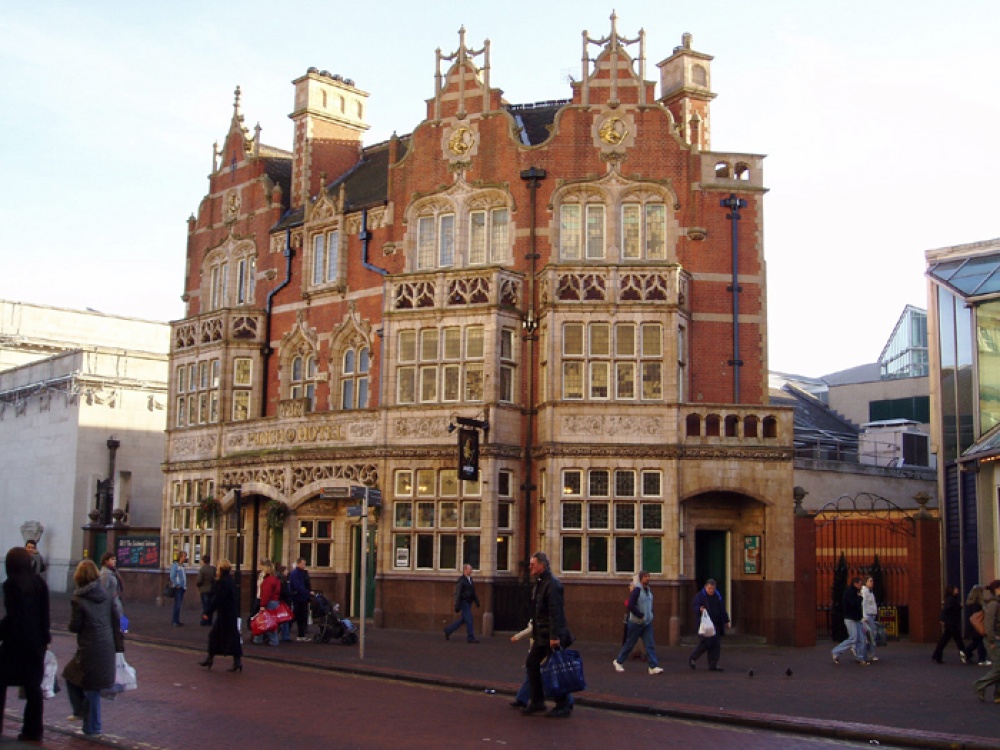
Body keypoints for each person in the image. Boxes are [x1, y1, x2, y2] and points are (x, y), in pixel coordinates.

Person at [0, 546, 51, 742]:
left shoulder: (11, 584)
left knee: (1, 682)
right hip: (36, 642)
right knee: (33, 688)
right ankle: (33, 730)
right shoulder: (40, 583)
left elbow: (13, 617)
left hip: (15, 642)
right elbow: (45, 615)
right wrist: (45, 640)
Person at [63, 559, 117, 738]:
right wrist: (120, 642)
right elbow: (117, 619)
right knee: (73, 675)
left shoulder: (78, 599)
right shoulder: (106, 594)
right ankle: (83, 716)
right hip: (106, 643)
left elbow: (75, 626)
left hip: (89, 647)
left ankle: (92, 727)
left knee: (88, 685)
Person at [522, 551, 573, 719]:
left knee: (556, 669)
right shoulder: (540, 583)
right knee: (532, 663)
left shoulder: (552, 584)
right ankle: (537, 701)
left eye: (533, 564)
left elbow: (555, 613)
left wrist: (554, 636)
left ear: (542, 565)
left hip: (550, 635)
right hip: (541, 634)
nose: (530, 567)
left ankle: (563, 704)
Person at [612, 570, 663, 674]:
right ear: (641, 579)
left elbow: (649, 604)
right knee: (630, 643)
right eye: (645, 577)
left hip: (647, 622)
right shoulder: (637, 590)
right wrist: (640, 614)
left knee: (650, 644)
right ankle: (618, 661)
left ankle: (653, 666)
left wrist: (650, 614)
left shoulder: (648, 590)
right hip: (636, 622)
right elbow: (631, 605)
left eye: (648, 576)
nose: (647, 578)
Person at [199, 559, 243, 673]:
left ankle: (211, 659)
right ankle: (235, 661)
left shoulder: (223, 582)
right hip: (230, 613)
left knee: (216, 635)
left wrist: (208, 612)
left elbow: (218, 599)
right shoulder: (229, 581)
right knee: (229, 636)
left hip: (225, 614)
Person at [689, 578, 731, 671]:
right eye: (709, 588)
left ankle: (713, 664)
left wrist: (726, 620)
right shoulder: (700, 596)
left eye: (713, 588)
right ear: (705, 587)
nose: (711, 590)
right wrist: (699, 609)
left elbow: (722, 609)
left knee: (716, 644)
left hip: (716, 624)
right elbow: (694, 606)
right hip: (705, 624)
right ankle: (693, 658)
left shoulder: (718, 596)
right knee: (706, 643)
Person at [974, 580, 1000, 703]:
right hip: (995, 640)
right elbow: (989, 624)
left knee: (998, 667)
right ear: (997, 589)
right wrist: (992, 640)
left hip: (996, 638)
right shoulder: (994, 604)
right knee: (998, 668)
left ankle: (998, 694)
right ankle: (980, 685)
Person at [831, 577, 866, 665]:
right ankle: (836, 651)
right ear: (855, 584)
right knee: (853, 638)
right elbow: (854, 603)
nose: (861, 586)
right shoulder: (850, 593)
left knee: (861, 639)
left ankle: (860, 657)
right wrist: (860, 598)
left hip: (856, 619)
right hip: (850, 619)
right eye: (860, 584)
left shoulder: (854, 592)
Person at [444, 563, 481, 643]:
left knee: (463, 620)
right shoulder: (461, 581)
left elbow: (473, 592)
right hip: (464, 603)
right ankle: (470, 637)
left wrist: (476, 601)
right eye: (470, 569)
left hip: (469, 602)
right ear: (465, 570)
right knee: (469, 619)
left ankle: (448, 630)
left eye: (471, 569)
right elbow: (458, 593)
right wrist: (457, 605)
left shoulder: (470, 579)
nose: (471, 571)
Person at [932, 584, 965, 663]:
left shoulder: (951, 599)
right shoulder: (951, 600)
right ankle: (965, 655)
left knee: (945, 640)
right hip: (952, 623)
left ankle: (937, 655)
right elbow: (946, 610)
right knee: (958, 640)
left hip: (950, 622)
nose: (957, 590)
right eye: (955, 589)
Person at [253, 561, 280, 646]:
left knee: (262, 621)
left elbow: (266, 594)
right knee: (271, 622)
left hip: (269, 602)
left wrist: (263, 605)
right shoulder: (275, 579)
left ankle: (259, 639)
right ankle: (271, 640)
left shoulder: (268, 580)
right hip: (275, 602)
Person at [963, 585, 990, 667]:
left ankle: (966, 652)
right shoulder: (978, 605)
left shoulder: (970, 603)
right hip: (977, 626)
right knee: (981, 641)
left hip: (971, 626)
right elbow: (977, 617)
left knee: (976, 642)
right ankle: (982, 659)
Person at [289, 558, 312, 642]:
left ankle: (301, 634)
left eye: (305, 564)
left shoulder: (303, 573)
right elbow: (298, 586)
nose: (304, 565)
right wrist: (307, 592)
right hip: (298, 597)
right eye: (303, 564)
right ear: (298, 564)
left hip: (303, 597)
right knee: (298, 615)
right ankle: (299, 634)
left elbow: (306, 583)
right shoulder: (295, 573)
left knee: (301, 616)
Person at [99, 552, 124, 623]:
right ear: (106, 561)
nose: (115, 561)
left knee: (122, 625)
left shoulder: (113, 572)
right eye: (112, 559)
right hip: (110, 606)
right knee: (117, 627)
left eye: (115, 559)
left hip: (116, 603)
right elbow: (103, 590)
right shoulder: (105, 574)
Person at [861, 576, 879, 663]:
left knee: (870, 636)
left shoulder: (869, 592)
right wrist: (865, 617)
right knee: (871, 636)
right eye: (870, 581)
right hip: (868, 616)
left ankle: (868, 653)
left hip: (871, 615)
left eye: (872, 581)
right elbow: (863, 605)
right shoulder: (865, 592)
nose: (872, 582)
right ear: (866, 582)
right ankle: (870, 654)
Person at [195, 554, 216, 627]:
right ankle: (210, 620)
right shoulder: (213, 569)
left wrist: (198, 585)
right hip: (212, 589)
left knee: (205, 606)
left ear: (203, 561)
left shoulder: (202, 569)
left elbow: (199, 580)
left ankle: (205, 620)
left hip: (204, 589)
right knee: (210, 606)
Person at [169, 551, 188, 626]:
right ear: (180, 557)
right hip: (178, 588)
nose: (185, 558)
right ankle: (174, 621)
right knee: (177, 604)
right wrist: (177, 584)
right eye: (184, 556)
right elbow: (172, 576)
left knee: (179, 604)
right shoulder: (175, 565)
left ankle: (177, 620)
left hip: (182, 587)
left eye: (185, 556)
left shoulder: (182, 566)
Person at [275, 563, 292, 642]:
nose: (287, 572)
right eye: (286, 570)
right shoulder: (282, 580)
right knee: (284, 618)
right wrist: (291, 593)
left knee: (284, 618)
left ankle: (285, 635)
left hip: (281, 600)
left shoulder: (281, 579)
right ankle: (285, 635)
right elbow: (284, 591)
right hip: (283, 601)